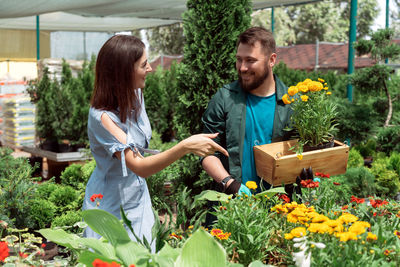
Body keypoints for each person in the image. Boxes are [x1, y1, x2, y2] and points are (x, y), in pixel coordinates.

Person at [82, 35, 228, 251]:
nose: (150, 68)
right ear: (123, 72)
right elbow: (140, 167)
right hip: (109, 207)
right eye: (143, 64)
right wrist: (185, 146)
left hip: (138, 200)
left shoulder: (135, 94)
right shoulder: (103, 118)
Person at [201, 26, 293, 200]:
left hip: (279, 206)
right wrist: (229, 183)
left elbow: (303, 152)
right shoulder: (225, 98)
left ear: (271, 60)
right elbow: (207, 151)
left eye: (250, 60)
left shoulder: (291, 104)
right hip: (231, 207)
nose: (242, 68)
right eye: (239, 59)